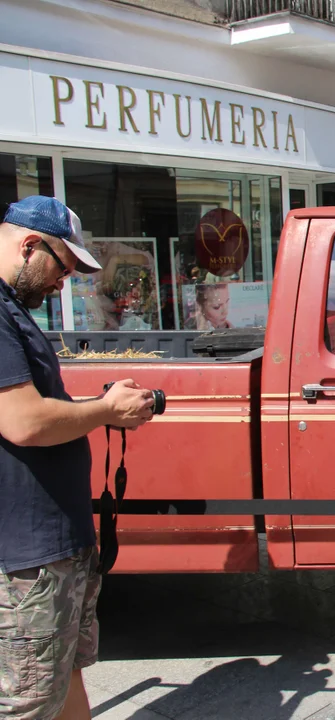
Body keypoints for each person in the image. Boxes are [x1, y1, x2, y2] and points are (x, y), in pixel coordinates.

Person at [0, 196, 156, 720]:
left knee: (64, 673)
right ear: (28, 245)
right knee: (30, 700)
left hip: (53, 545)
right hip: (27, 557)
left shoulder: (11, 309)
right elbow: (23, 421)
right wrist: (105, 409)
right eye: (62, 268)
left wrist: (96, 410)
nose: (61, 283)